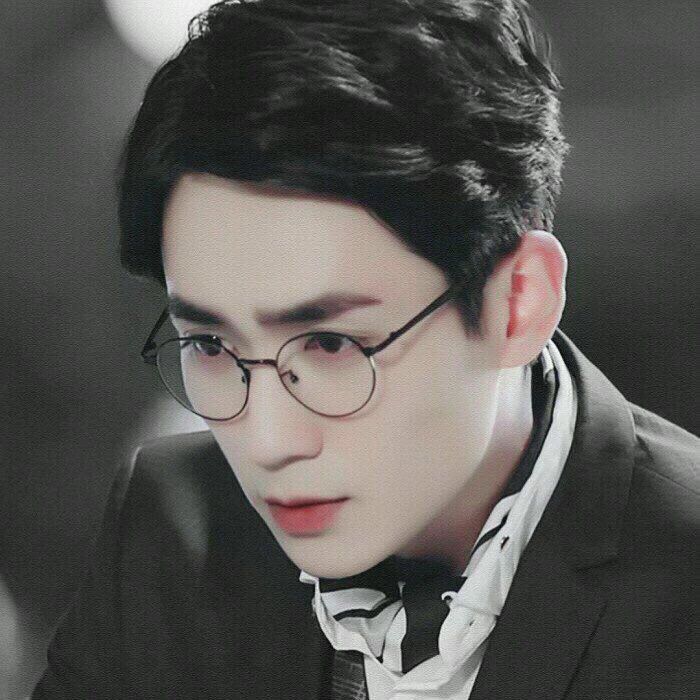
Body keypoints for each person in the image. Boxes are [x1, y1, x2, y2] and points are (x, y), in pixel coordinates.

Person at [32, 1, 698, 698]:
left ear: (518, 302)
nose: (268, 442)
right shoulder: (175, 530)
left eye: (331, 344)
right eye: (210, 344)